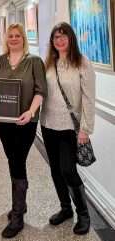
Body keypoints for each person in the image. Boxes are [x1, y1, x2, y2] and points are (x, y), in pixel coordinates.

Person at [0, 23, 47, 238]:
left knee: (18, 160)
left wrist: (30, 112)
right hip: (3, 121)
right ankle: (20, 205)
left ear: (23, 38)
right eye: (10, 36)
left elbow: (40, 91)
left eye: (17, 36)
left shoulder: (34, 62)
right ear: (6, 38)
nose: (13, 39)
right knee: (13, 159)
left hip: (25, 122)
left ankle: (18, 215)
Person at [40, 22, 95, 235]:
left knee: (68, 170)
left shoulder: (82, 63)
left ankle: (83, 213)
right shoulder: (49, 63)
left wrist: (85, 129)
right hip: (48, 124)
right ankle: (65, 209)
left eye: (64, 36)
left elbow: (89, 99)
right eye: (56, 38)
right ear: (52, 42)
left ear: (71, 38)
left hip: (70, 128)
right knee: (55, 170)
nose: (60, 41)